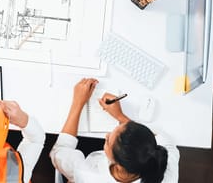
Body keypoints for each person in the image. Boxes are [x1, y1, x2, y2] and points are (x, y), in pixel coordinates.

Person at [50, 78, 180, 182]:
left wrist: (77, 103)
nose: (107, 135)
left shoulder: (88, 174)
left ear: (117, 163)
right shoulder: (166, 166)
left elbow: (60, 152)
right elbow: (165, 140)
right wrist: (120, 116)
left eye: (108, 141)